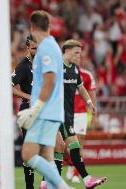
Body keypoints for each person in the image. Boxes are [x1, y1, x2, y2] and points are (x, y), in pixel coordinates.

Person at [17, 10, 70, 189]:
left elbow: (49, 79)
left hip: (46, 112)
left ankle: (63, 186)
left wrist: (36, 109)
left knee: (28, 154)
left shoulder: (46, 48)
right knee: (47, 157)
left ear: (32, 27)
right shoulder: (52, 45)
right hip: (52, 111)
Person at [51, 39, 107, 189]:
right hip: (57, 114)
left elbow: (81, 88)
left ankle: (47, 182)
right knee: (73, 146)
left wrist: (89, 103)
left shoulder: (74, 69)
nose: (78, 56)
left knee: (59, 148)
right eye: (76, 53)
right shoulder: (56, 66)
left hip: (68, 114)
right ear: (66, 51)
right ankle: (87, 179)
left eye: (80, 53)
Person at [66, 49, 97, 183]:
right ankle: (72, 165)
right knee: (67, 146)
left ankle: (75, 174)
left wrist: (94, 114)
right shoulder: (65, 72)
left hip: (81, 114)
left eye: (79, 57)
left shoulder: (87, 75)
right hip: (66, 113)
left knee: (79, 145)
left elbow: (92, 95)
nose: (78, 59)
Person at [12, 35, 38, 189]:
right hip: (28, 111)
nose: (37, 50)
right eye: (34, 47)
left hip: (42, 111)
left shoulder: (42, 65)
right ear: (28, 47)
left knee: (54, 147)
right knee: (31, 152)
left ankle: (45, 183)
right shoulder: (23, 66)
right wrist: (28, 96)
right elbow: (9, 86)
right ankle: (30, 186)